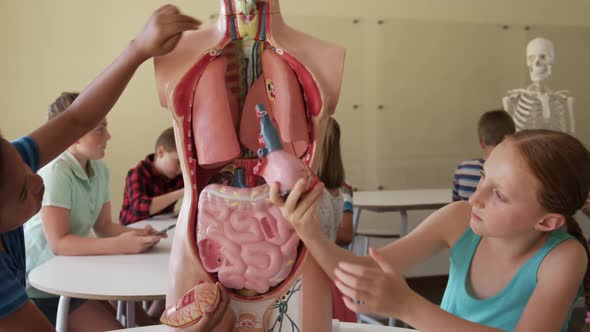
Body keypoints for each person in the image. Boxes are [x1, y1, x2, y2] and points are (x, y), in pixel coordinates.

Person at [0, 5, 205, 331]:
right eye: (24, 191)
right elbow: (60, 242)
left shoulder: (14, 165)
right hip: (46, 286)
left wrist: (139, 48)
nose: (38, 178)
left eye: (27, 166)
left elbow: (77, 117)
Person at [272, 129, 590, 332]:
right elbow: (363, 272)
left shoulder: (564, 257)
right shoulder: (458, 218)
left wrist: (406, 306)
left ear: (547, 222)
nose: (475, 198)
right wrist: (308, 231)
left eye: (500, 195)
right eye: (483, 178)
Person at [316, 117, 356, 322]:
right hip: (338, 274)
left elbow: (346, 235)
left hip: (318, 275)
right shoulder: (344, 190)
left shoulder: (308, 190)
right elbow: (346, 235)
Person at [119, 127, 183, 226]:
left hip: (160, 227)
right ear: (160, 152)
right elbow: (139, 207)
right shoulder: (137, 173)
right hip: (132, 229)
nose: (181, 169)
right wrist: (183, 192)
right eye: (178, 162)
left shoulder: (177, 175)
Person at [452, 110, 515, 201]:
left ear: (481, 142)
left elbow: (454, 206)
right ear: (512, 140)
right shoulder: (514, 172)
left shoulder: (463, 169)